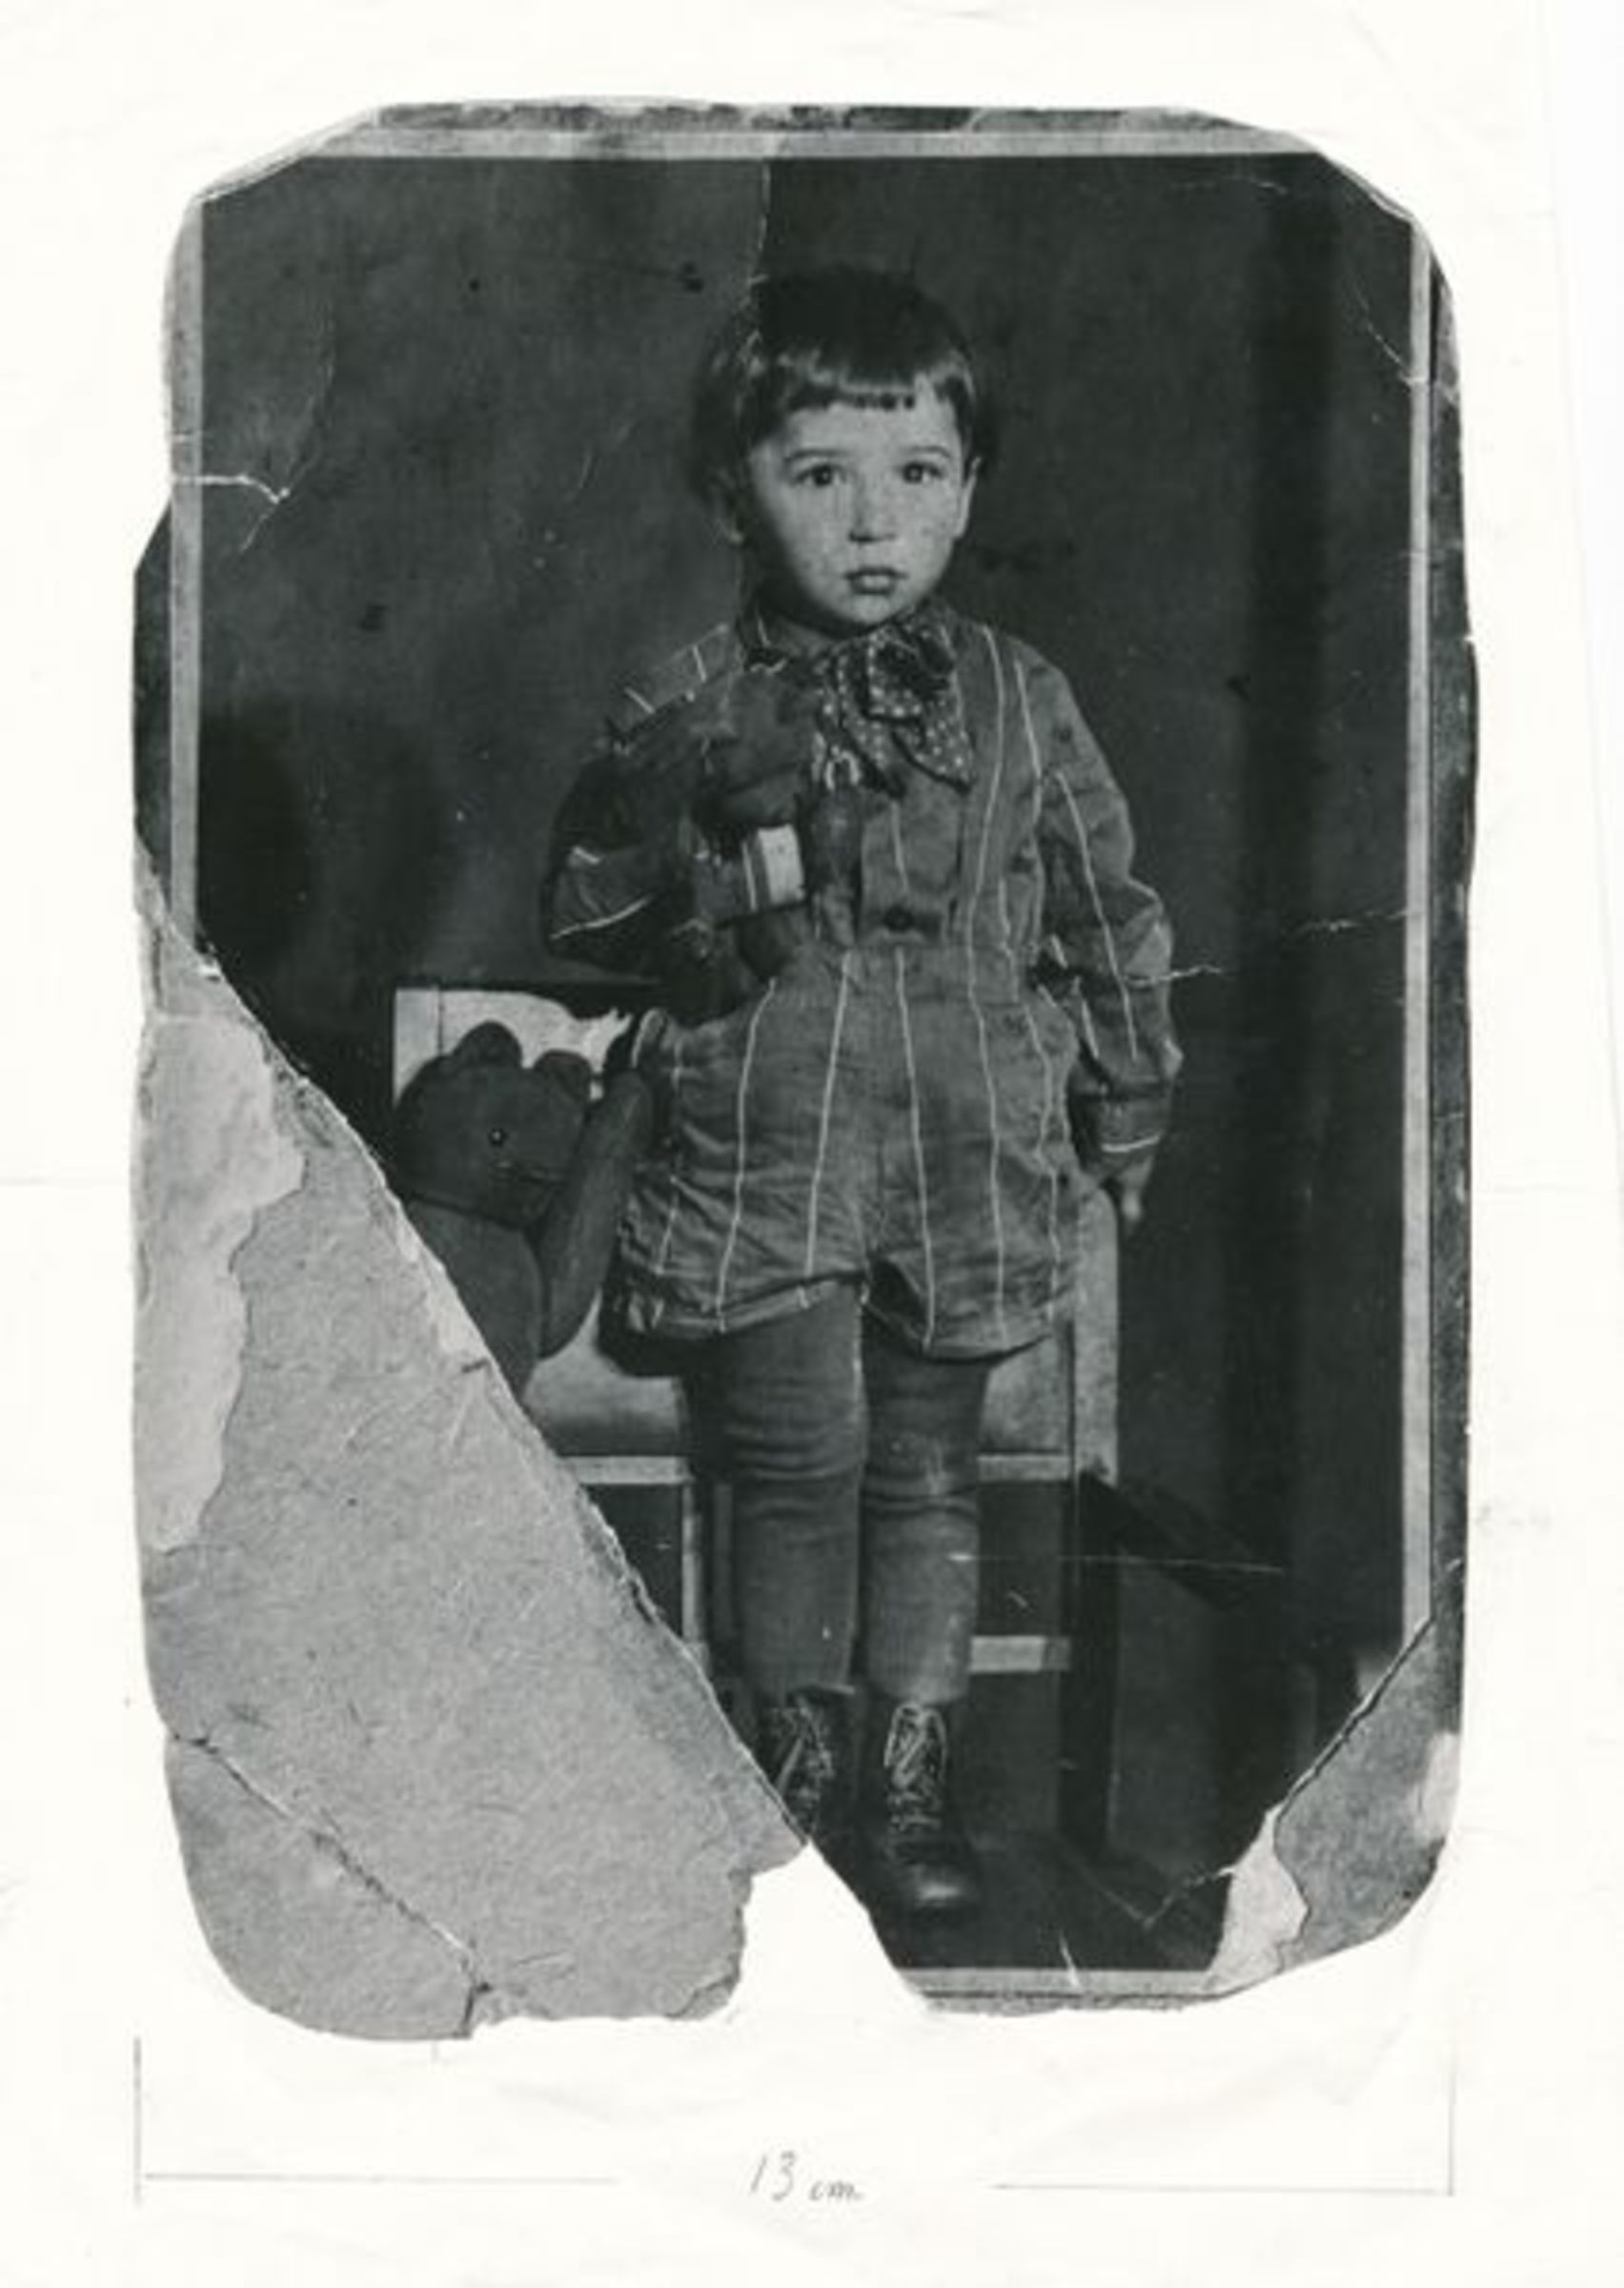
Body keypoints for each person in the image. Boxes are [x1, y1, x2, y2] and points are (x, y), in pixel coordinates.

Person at [542, 268, 1180, 1920]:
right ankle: (796, 1780)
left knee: (926, 1478)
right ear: (731, 494)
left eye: (916, 472)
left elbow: (1108, 918)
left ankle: (909, 1788)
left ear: (969, 489)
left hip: (966, 1155)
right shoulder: (681, 696)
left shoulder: (1023, 700)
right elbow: (587, 922)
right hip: (763, 1150)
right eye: (819, 473)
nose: (874, 520)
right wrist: (671, 826)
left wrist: (1126, 1111)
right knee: (795, 1461)